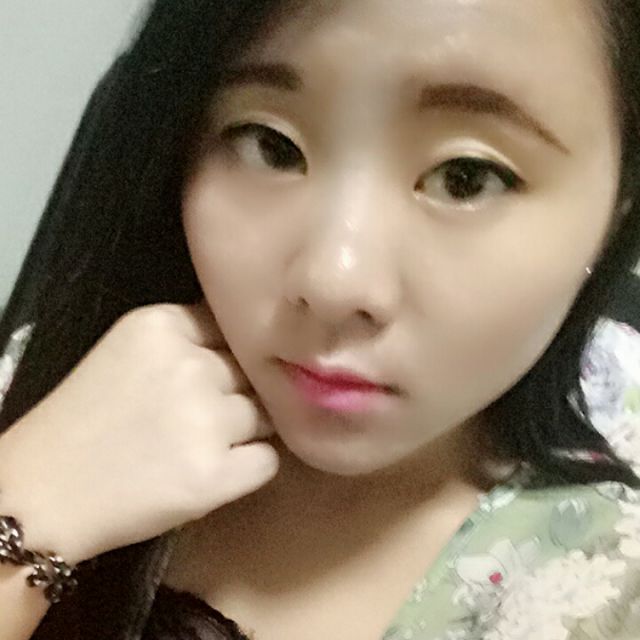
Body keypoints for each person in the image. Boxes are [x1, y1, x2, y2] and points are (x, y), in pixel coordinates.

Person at [1, 0, 640, 638]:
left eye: (466, 178)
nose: (334, 281)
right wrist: (29, 502)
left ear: (619, 202)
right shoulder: (79, 386)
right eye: (271, 146)